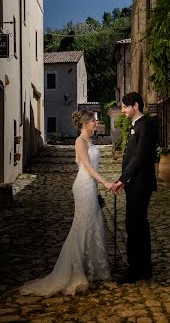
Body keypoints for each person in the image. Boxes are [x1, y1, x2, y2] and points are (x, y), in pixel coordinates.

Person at [20, 110, 115, 296]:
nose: (96, 124)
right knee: (82, 226)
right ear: (85, 123)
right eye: (94, 121)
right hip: (83, 186)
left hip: (91, 186)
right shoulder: (80, 141)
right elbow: (86, 166)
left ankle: (91, 268)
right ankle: (76, 270)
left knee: (92, 224)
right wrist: (104, 182)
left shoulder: (90, 141)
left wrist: (98, 186)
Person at [113, 92, 157, 283]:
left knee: (135, 224)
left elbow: (139, 157)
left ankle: (136, 268)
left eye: (124, 106)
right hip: (134, 184)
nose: (122, 110)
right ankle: (142, 267)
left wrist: (123, 179)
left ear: (135, 106)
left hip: (141, 184)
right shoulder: (137, 125)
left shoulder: (145, 125)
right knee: (136, 224)